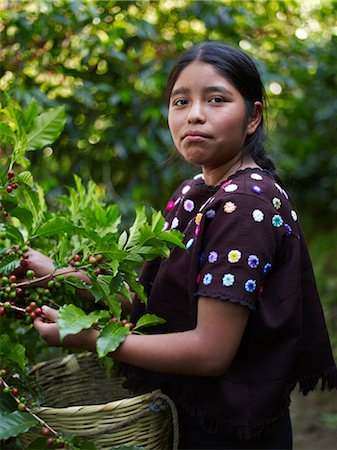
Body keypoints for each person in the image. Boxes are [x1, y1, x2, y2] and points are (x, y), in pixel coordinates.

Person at [30, 41, 336, 450]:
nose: (194, 114)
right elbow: (155, 309)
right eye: (180, 101)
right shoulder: (196, 192)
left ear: (253, 116)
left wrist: (93, 339)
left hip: (227, 434)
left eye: (216, 99)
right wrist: (55, 272)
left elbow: (210, 351)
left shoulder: (244, 206)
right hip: (190, 416)